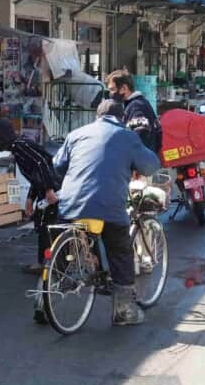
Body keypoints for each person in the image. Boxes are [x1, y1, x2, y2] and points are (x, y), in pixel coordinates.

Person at [53, 100, 161, 326]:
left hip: (70, 204)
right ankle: (124, 310)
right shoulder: (127, 137)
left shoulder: (76, 134)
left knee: (63, 244)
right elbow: (150, 165)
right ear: (122, 118)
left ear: (97, 116)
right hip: (108, 206)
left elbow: (58, 165)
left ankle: (45, 301)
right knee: (120, 250)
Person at [0, 119, 60, 277]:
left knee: (46, 226)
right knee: (43, 225)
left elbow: (41, 163)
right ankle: (47, 263)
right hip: (47, 188)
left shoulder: (21, 147)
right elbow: (37, 172)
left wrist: (49, 189)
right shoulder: (20, 146)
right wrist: (30, 198)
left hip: (53, 188)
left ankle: (48, 264)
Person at [106, 70, 162, 153]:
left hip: (140, 162)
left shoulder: (136, 107)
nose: (110, 94)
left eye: (112, 89)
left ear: (124, 88)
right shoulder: (137, 103)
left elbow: (139, 136)